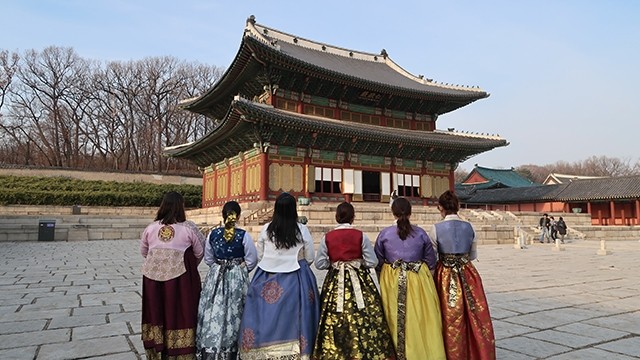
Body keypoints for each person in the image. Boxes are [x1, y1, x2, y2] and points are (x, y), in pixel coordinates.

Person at [239, 192, 320, 359]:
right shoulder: (301, 230)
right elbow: (310, 257)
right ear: (293, 210)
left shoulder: (266, 229)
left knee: (262, 314)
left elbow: (260, 255)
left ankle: (262, 350)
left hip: (266, 276)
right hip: (296, 278)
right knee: (297, 315)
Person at [313, 202, 396, 360]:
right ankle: (367, 347)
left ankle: (334, 349)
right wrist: (358, 262)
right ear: (353, 217)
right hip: (358, 279)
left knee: (333, 314)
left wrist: (335, 263)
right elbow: (372, 262)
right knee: (364, 312)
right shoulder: (360, 235)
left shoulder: (328, 237)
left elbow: (319, 263)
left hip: (336, 280)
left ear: (337, 217)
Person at [375, 197, 446, 360]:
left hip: (393, 280)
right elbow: (431, 261)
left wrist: (383, 278)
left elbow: (378, 261)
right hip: (418, 279)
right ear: (410, 212)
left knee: (395, 317)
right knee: (420, 316)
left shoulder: (384, 234)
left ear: (392, 212)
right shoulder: (420, 233)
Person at [430, 190, 496, 360]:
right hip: (468, 272)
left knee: (450, 316)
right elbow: (473, 255)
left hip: (445, 274)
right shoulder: (469, 226)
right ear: (457, 206)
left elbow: (433, 256)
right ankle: (476, 352)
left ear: (440, 207)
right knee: (474, 315)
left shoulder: (436, 229)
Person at [140, 191, 205, 359]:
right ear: (181, 207)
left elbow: (144, 252)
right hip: (180, 279)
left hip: (152, 280)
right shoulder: (188, 228)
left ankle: (156, 346)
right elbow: (199, 252)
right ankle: (180, 350)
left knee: (156, 310)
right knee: (180, 312)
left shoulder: (150, 228)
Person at [196, 201, 258, 359]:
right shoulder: (243, 235)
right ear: (238, 216)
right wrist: (241, 269)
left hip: (216, 275)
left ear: (223, 215)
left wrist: (218, 266)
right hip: (236, 275)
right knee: (236, 310)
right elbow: (252, 259)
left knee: (213, 309)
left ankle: (212, 346)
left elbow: (208, 258)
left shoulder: (213, 233)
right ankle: (234, 348)